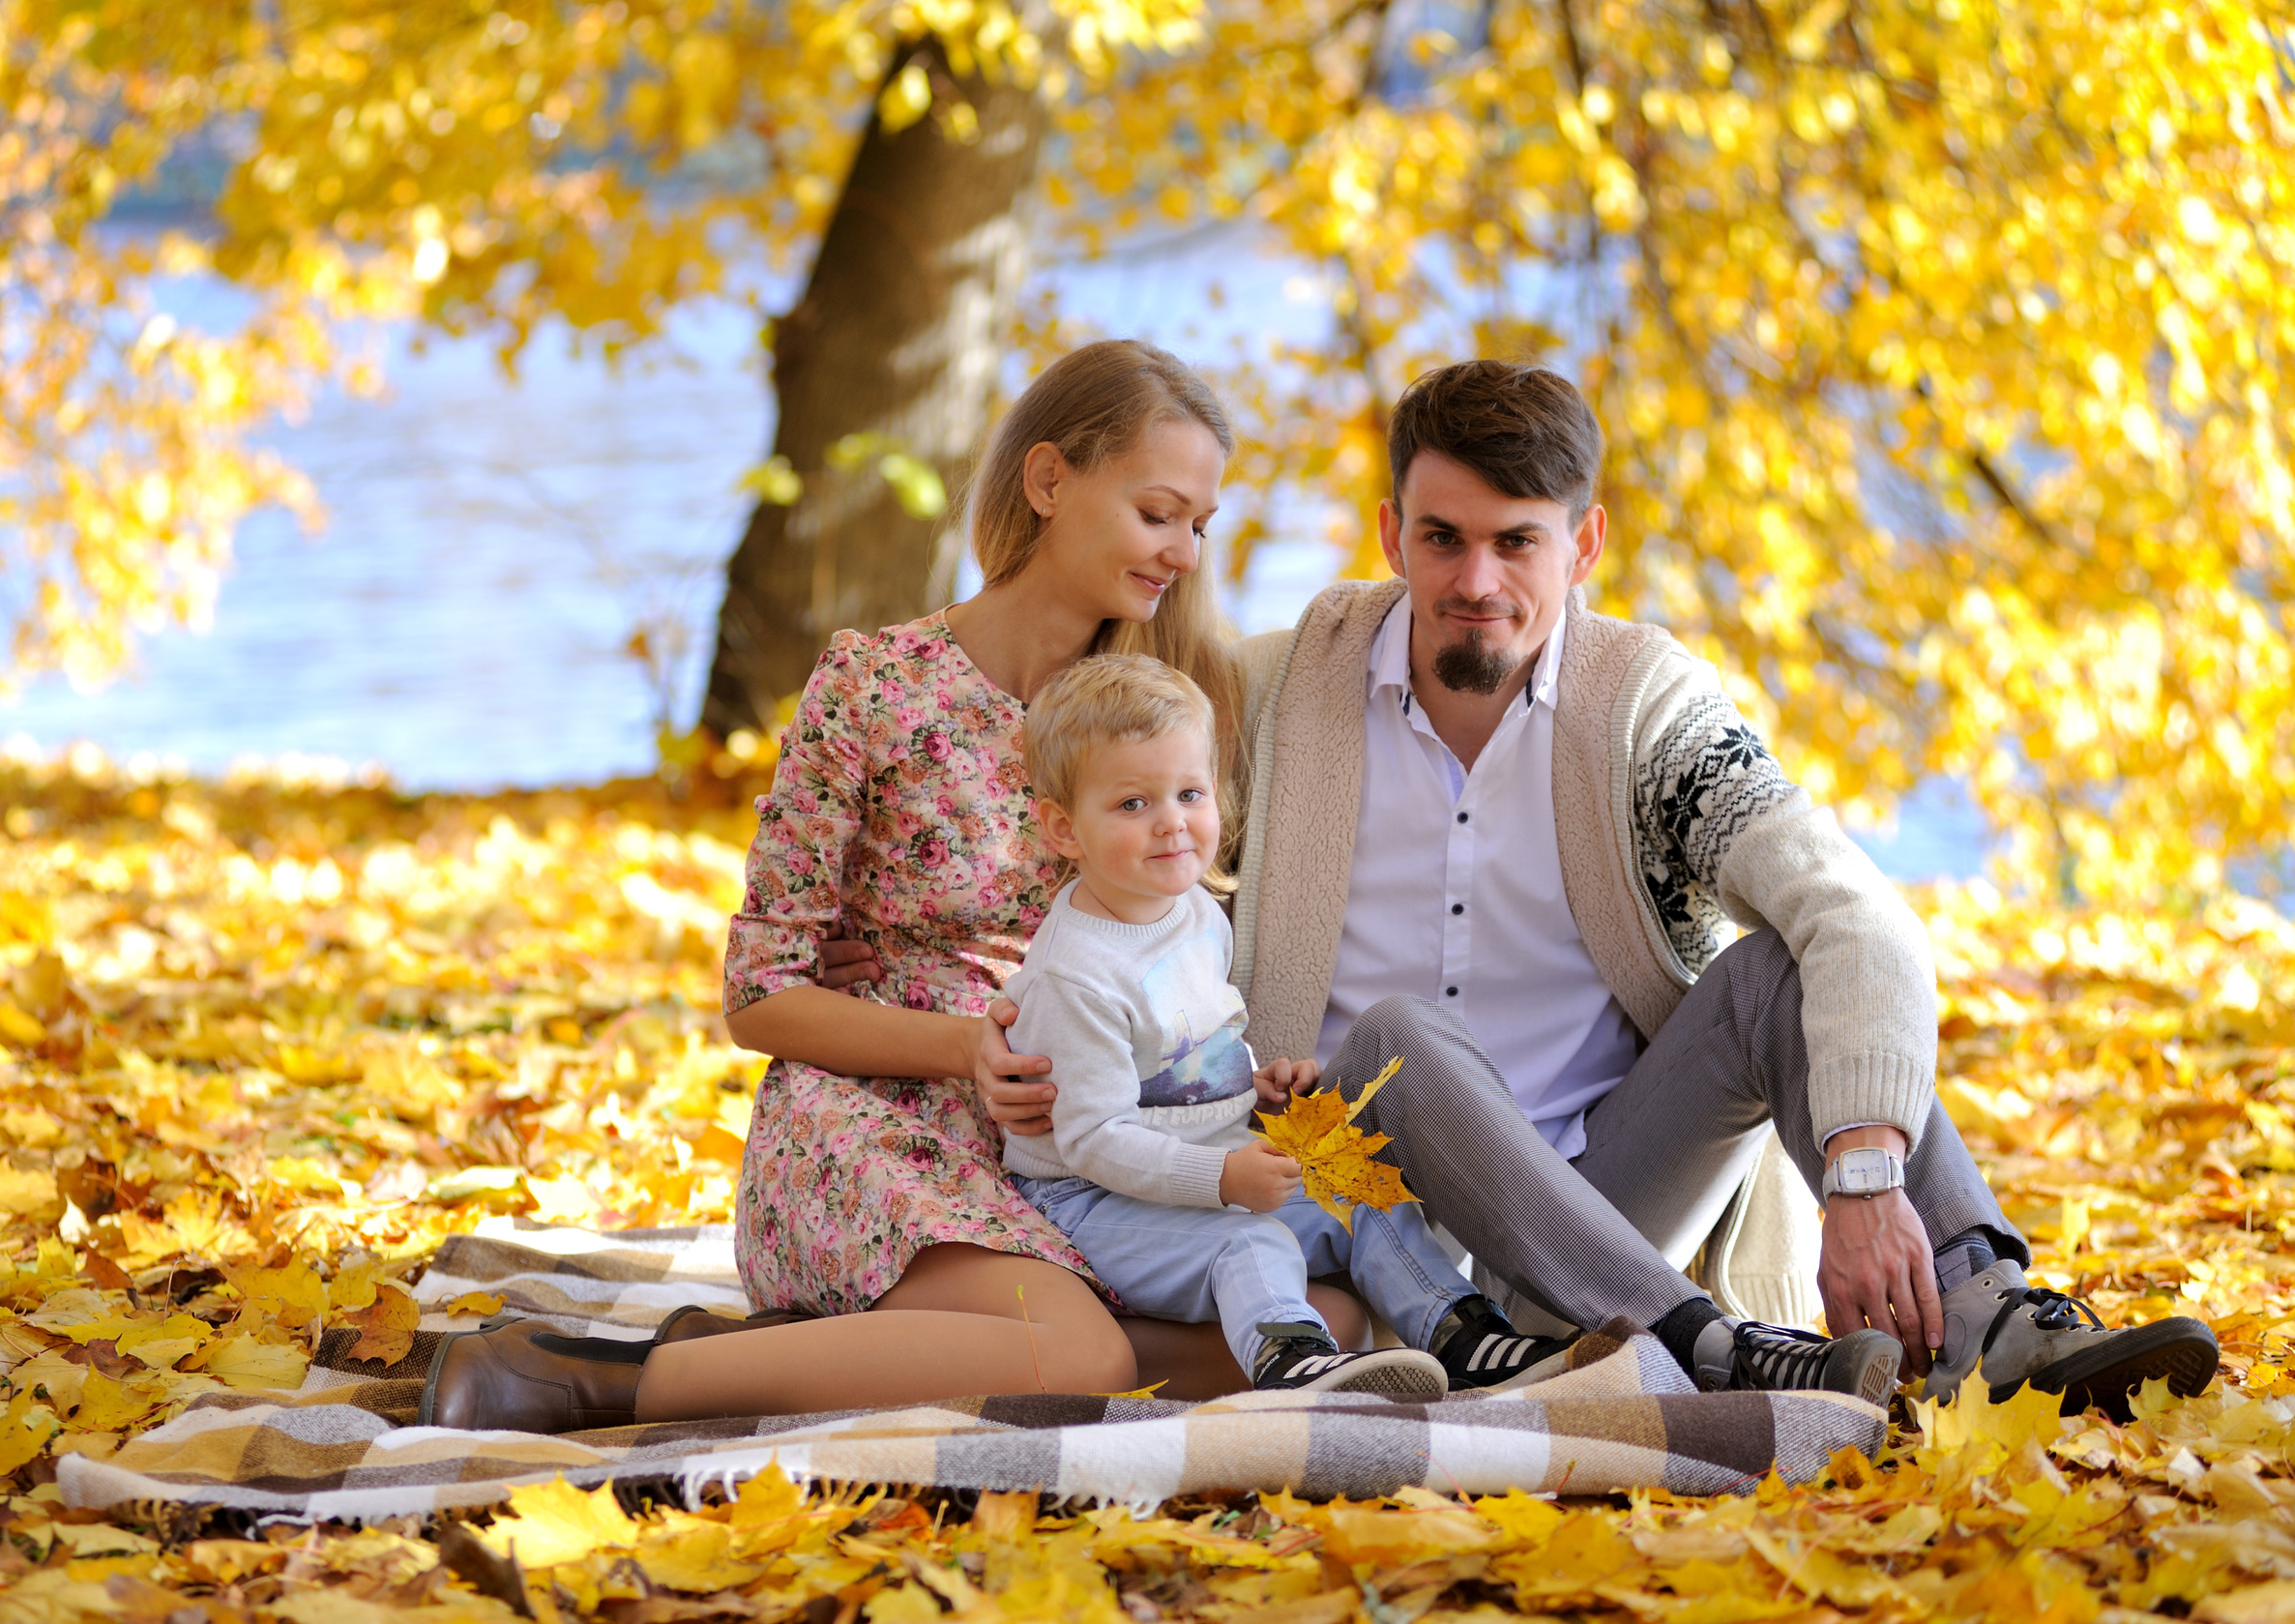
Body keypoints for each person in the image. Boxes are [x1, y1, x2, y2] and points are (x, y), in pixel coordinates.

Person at [968, 360, 2218, 1416]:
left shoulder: (1647, 710)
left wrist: (1865, 1175)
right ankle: (1690, 1343)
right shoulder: (1282, 694)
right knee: (1393, 1034)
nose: (1477, 582)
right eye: (1443, 538)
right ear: (1392, 530)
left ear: (1587, 542)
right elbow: (1080, 784)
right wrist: (966, 1027)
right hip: (1373, 1229)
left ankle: (1992, 1309)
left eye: (1520, 543)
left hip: (1612, 1197)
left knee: (1783, 966)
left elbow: (1854, 911)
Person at [421, 339, 1368, 1432]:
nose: (1184, 554)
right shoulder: (873, 685)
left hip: (1094, 1144)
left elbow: (1193, 959)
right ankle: (575, 1378)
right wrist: (962, 1045)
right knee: (1080, 1351)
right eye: (1160, 514)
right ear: (1051, 480)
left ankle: (835, 1356)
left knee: (1327, 1319)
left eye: (1199, 525)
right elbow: (761, 995)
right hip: (882, 1122)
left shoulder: (1175, 706)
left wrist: (1251, 1075)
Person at [999, 653, 1585, 1396]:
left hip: (1199, 1169)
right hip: (1091, 1205)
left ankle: (1465, 1338)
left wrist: (1255, 1083)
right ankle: (1295, 1367)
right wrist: (1222, 1176)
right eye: (1132, 805)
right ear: (1062, 829)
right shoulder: (1074, 976)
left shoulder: (1194, 915)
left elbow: (1190, 1047)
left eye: (1188, 792)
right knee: (1252, 1242)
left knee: (1361, 1196)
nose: (1172, 824)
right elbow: (1092, 1139)